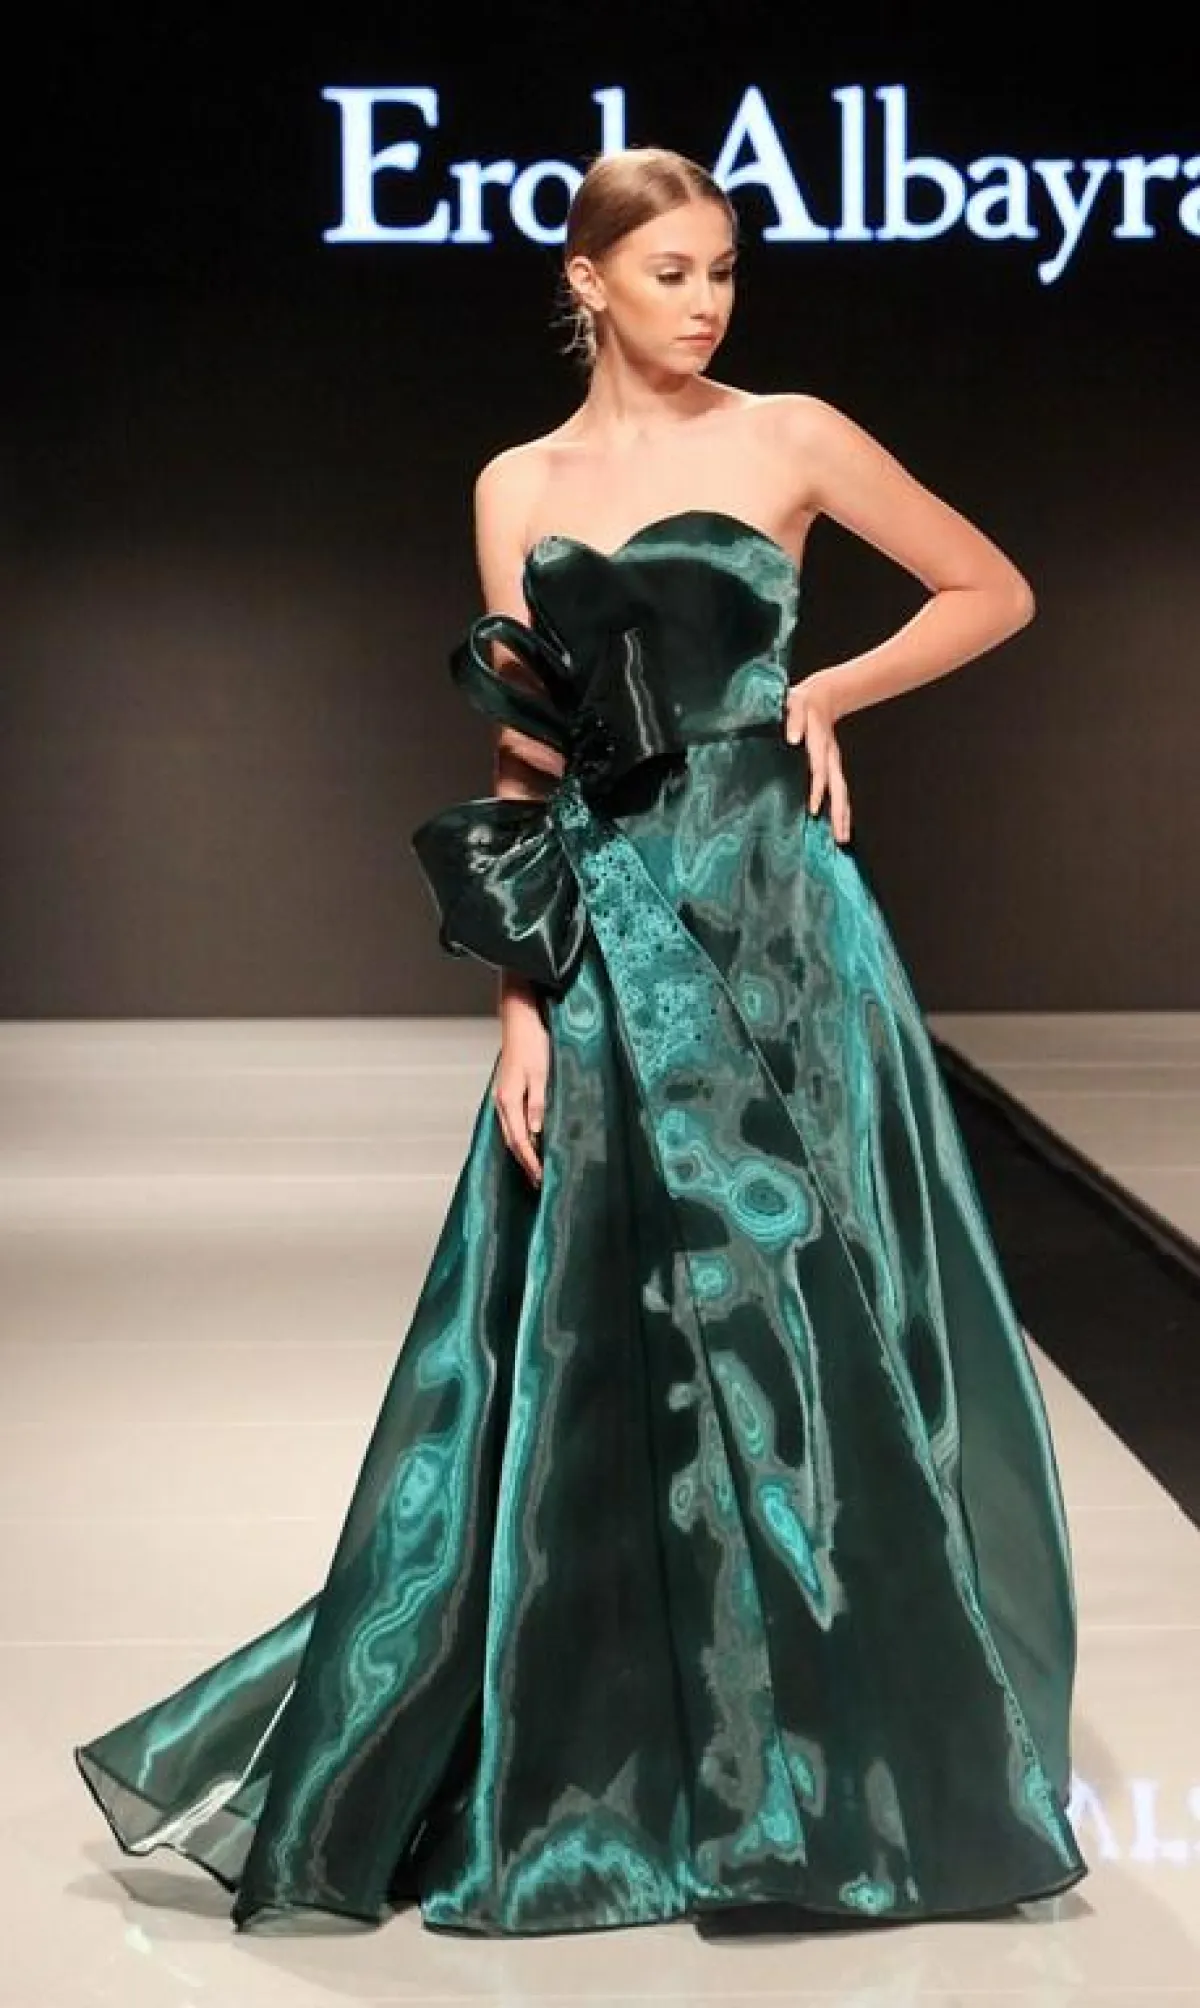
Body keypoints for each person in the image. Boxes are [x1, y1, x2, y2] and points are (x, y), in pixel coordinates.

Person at [74, 146, 1088, 1940]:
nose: (710, 301)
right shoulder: (518, 482)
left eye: (726, 268)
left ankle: (843, 1761)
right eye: (674, 270)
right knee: (611, 1344)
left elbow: (988, 588)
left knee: (810, 1315)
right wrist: (515, 1003)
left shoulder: (792, 436)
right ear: (589, 280)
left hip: (780, 921)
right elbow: (526, 748)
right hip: (615, 923)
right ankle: (622, 1766)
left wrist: (824, 690)